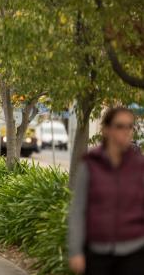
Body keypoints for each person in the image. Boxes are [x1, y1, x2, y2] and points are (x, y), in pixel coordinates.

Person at [68, 107, 144, 275]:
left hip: (134, 252)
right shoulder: (90, 164)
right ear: (106, 130)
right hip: (97, 253)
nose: (126, 131)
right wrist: (75, 251)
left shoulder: (139, 166)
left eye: (129, 127)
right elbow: (78, 211)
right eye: (119, 126)